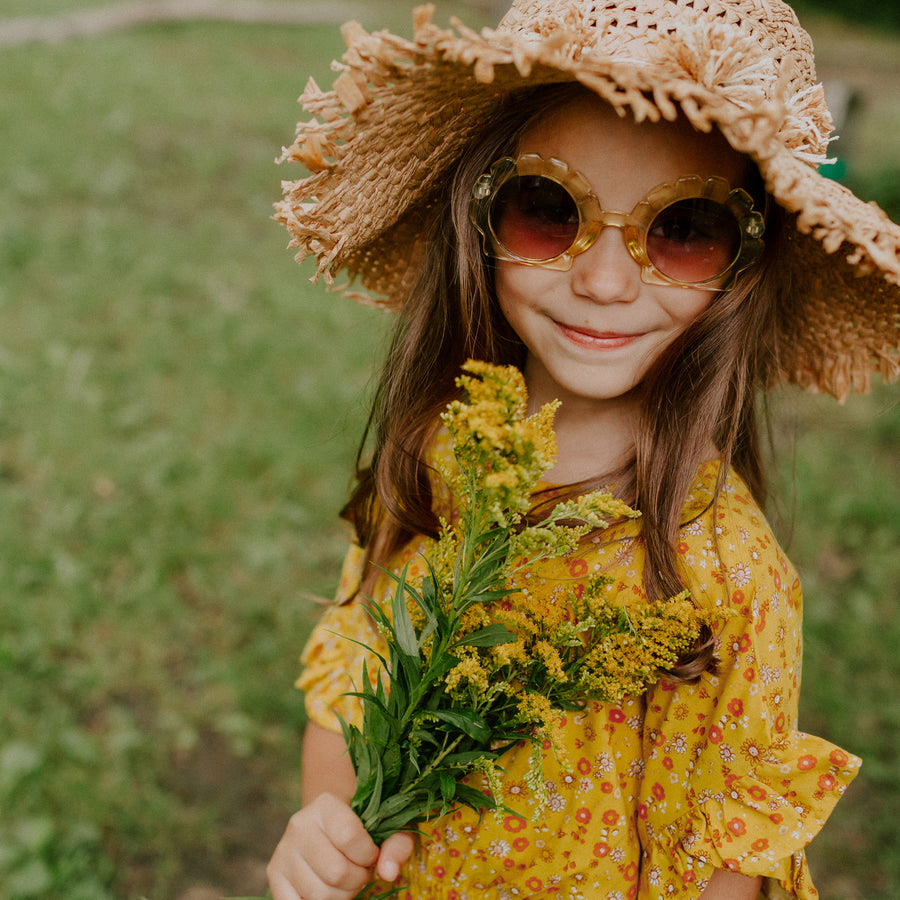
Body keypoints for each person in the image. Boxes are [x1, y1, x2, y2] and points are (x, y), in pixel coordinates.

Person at [266, 1, 900, 898]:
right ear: (476, 220)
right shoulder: (440, 451)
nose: (603, 282)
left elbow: (722, 871)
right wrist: (324, 836)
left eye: (682, 230)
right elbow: (354, 681)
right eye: (547, 209)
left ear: (745, 265)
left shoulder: (720, 574)